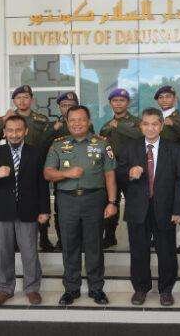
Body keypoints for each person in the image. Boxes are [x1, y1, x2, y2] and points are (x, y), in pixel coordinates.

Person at [44, 106, 118, 306]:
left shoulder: (102, 143)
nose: (77, 123)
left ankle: (96, 288)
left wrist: (112, 202)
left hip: (94, 199)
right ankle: (71, 289)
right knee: (69, 245)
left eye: (81, 119)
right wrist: (66, 174)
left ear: (88, 121)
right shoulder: (58, 144)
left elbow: (110, 175)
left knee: (94, 245)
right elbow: (48, 173)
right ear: (67, 123)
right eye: (73, 120)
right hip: (67, 200)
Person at [116, 107, 180, 306]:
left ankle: (166, 290)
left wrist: (179, 209)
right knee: (139, 251)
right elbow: (118, 173)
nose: (150, 128)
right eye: (146, 124)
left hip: (165, 209)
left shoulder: (174, 148)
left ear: (161, 126)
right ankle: (140, 289)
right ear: (140, 126)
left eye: (155, 124)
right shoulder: (130, 147)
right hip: (137, 209)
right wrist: (129, 172)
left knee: (167, 252)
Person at [0, 115, 51, 306]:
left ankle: (32, 289)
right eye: (10, 130)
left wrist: (45, 210)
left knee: (29, 252)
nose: (14, 134)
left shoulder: (36, 153)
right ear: (4, 132)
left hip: (29, 211)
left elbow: (42, 184)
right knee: (4, 252)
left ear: (25, 131)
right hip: (2, 211)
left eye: (18, 130)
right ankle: (5, 289)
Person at [0, 84, 54, 251]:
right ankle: (15, 240)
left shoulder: (41, 119)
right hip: (13, 163)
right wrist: (3, 120)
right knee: (15, 201)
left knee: (38, 197)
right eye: (18, 98)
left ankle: (44, 236)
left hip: (36, 162)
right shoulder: (8, 118)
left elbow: (48, 142)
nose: (22, 101)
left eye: (26, 97)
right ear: (14, 100)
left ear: (31, 99)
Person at [44, 91, 94, 250]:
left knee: (86, 214)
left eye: (70, 105)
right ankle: (62, 240)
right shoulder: (53, 125)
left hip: (83, 172)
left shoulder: (85, 124)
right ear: (59, 108)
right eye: (64, 105)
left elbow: (91, 145)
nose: (66, 108)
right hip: (60, 173)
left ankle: (84, 241)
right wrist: (53, 129)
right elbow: (42, 145)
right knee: (61, 211)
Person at [154, 85, 180, 254]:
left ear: (174, 99)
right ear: (157, 100)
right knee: (158, 198)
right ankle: (159, 234)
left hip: (177, 163)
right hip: (157, 164)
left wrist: (173, 125)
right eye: (161, 97)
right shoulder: (154, 116)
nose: (165, 99)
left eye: (168, 96)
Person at [99, 88, 143, 248]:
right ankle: (110, 236)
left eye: (122, 100)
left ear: (128, 103)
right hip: (112, 169)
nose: (118, 103)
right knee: (111, 202)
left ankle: (138, 237)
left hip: (132, 169)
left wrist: (118, 126)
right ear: (110, 103)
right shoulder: (106, 126)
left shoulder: (137, 122)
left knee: (135, 204)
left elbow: (140, 135)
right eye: (115, 100)